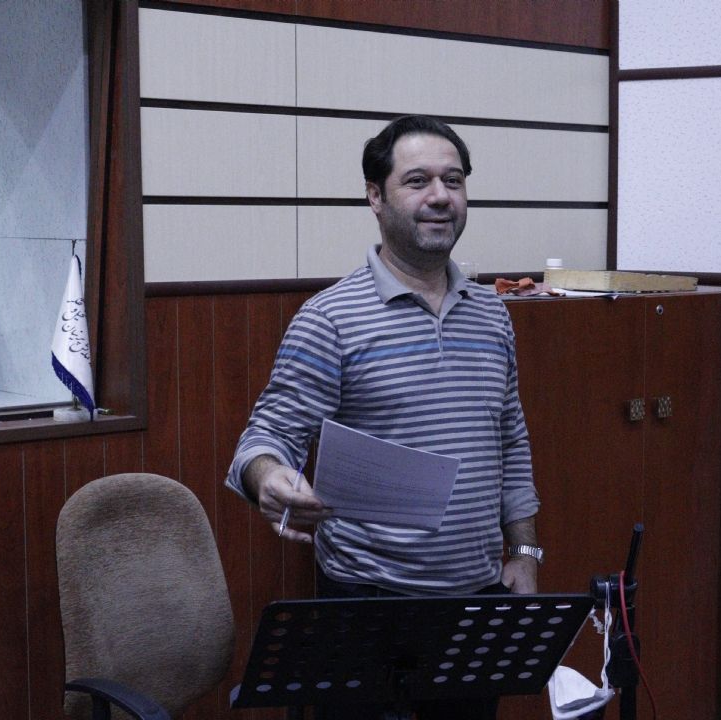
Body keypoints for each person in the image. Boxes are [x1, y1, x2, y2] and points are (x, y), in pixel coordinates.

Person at [225, 115, 543, 719]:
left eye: (453, 180)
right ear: (375, 197)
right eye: (417, 181)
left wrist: (525, 553)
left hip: (477, 602)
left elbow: (511, 441)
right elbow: (265, 437)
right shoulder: (330, 319)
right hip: (368, 605)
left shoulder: (492, 314)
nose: (440, 196)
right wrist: (267, 477)